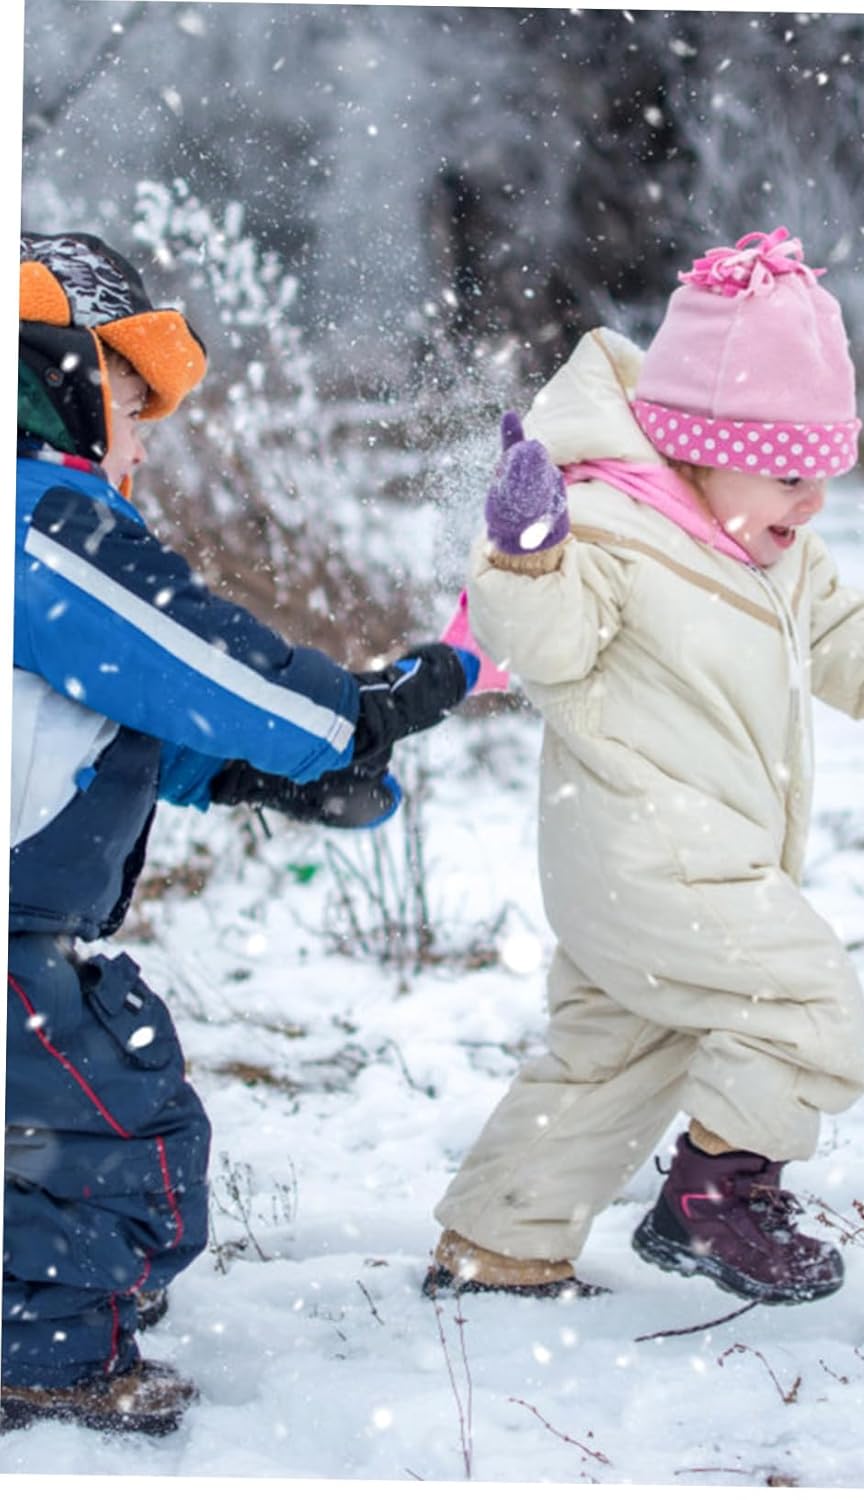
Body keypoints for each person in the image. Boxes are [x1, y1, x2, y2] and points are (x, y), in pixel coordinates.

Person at [425, 227, 864, 1308]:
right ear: (700, 448)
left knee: (614, 1055)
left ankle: (498, 1248)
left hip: (666, 862)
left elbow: (847, 638)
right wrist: (528, 555)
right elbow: (543, 645)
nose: (811, 499)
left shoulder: (770, 550)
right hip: (651, 857)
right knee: (804, 1000)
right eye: (789, 473)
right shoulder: (610, 530)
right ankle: (715, 1197)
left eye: (822, 473)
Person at [5, 231, 477, 1435]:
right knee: (118, 1140)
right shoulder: (38, 521)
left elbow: (106, 713)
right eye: (130, 406)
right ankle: (45, 1358)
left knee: (58, 1138)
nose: (142, 442)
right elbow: (195, 657)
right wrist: (352, 714)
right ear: (52, 377)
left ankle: (45, 1306)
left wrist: (251, 777)